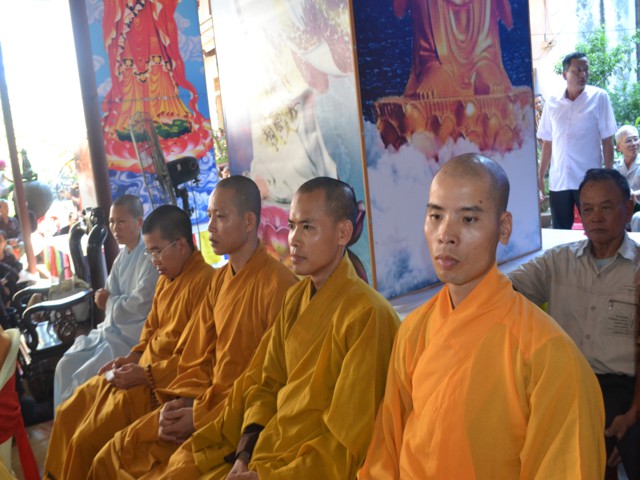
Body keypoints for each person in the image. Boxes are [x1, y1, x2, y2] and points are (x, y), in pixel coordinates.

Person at [130, 177, 399, 479]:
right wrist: (244, 455)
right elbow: (264, 383)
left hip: (307, 466)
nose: (293, 239)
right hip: (264, 447)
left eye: (307, 227)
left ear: (343, 233)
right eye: (292, 225)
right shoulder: (295, 299)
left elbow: (348, 442)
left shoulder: (368, 315)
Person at [359, 153, 605, 479]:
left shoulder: (549, 355)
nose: (446, 234)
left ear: (503, 228)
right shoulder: (414, 330)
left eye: (469, 219)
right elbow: (386, 449)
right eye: (436, 216)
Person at [87, 176, 298, 479]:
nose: (210, 227)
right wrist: (184, 404)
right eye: (210, 216)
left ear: (249, 221)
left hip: (235, 419)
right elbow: (197, 356)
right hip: (199, 401)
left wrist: (198, 416)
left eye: (220, 217)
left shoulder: (280, 287)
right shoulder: (219, 281)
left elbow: (270, 381)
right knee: (114, 452)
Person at [44, 205, 215, 480]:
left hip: (159, 388)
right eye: (150, 253)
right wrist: (132, 358)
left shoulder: (205, 284)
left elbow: (197, 359)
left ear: (182, 245)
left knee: (85, 440)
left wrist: (146, 374)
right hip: (140, 370)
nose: (153, 260)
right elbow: (149, 332)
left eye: (157, 251)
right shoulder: (166, 279)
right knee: (68, 411)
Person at [509, 168, 639, 479]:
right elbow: (504, 291)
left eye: (606, 207)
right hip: (563, 378)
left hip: (619, 386)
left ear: (628, 208)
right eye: (588, 209)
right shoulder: (558, 262)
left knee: (600, 440)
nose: (596, 217)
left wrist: (634, 413)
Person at [52, 195, 159, 408]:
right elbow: (106, 296)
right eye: (112, 222)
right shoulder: (121, 258)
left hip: (132, 336)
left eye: (121, 221)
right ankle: (65, 426)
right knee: (65, 365)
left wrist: (109, 300)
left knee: (82, 378)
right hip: (110, 330)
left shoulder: (149, 257)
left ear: (139, 222)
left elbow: (139, 306)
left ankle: (79, 426)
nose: (115, 228)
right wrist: (107, 299)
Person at [537, 51, 617, 229]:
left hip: (589, 180)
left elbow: (607, 140)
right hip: (560, 180)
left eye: (586, 70)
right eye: (577, 70)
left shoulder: (599, 97)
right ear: (564, 74)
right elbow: (548, 142)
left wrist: (609, 176)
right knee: (560, 231)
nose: (583, 74)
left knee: (595, 228)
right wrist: (541, 175)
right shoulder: (552, 102)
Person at [614, 125, 640, 231]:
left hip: (637, 209)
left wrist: (635, 194)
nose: (634, 143)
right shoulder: (615, 167)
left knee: (637, 218)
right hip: (623, 209)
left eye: (636, 139)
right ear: (619, 147)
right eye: (629, 140)